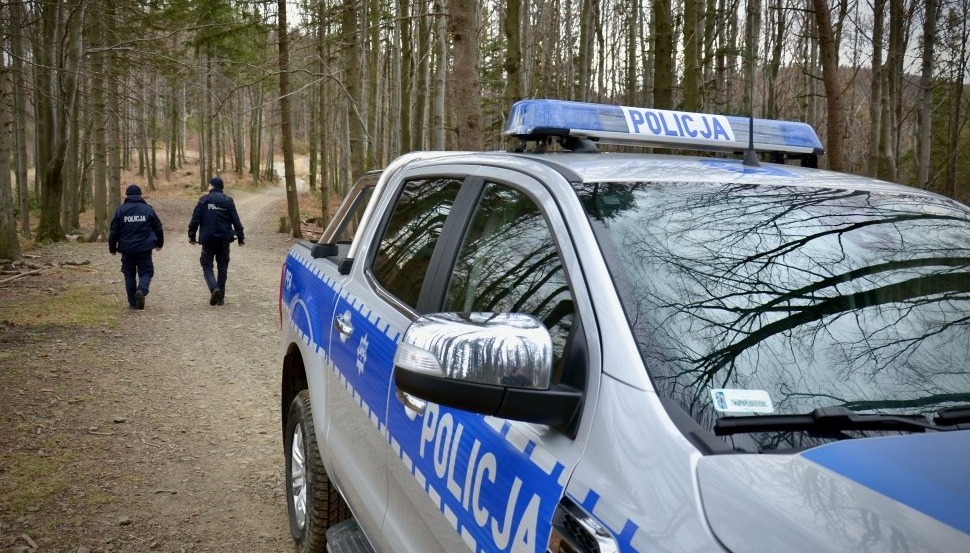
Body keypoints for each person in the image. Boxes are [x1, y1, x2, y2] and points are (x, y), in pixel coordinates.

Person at [188, 177, 245, 306]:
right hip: (224, 239)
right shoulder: (228, 201)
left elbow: (195, 219)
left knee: (207, 265)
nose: (208, 188)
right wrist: (241, 238)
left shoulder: (203, 200)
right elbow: (236, 221)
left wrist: (191, 236)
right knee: (222, 266)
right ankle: (220, 297)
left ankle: (214, 289)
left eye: (209, 185)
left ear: (212, 186)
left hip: (208, 239)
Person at [108, 184, 164, 310]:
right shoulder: (148, 209)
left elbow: (114, 231)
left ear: (126, 195)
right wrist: (159, 243)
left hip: (126, 249)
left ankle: (133, 302)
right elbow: (158, 227)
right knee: (147, 271)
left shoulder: (120, 210)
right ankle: (142, 290)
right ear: (140, 195)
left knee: (129, 274)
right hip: (144, 248)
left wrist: (112, 248)